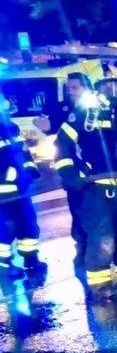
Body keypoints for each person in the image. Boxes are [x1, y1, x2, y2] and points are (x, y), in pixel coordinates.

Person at [54, 85, 117, 300]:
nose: (113, 90)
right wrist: (72, 172)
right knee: (102, 238)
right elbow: (63, 143)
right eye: (107, 84)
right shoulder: (86, 114)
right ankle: (101, 285)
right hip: (98, 188)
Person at [36, 73, 93, 273]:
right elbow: (58, 139)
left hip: (96, 176)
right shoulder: (64, 110)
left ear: (87, 88)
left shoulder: (95, 111)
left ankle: (100, 252)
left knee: (99, 215)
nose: (71, 92)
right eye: (69, 88)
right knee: (78, 214)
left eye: (75, 88)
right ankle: (83, 251)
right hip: (75, 176)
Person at [0, 95, 46, 278]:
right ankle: (4, 265)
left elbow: (23, 153)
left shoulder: (11, 128)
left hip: (21, 190)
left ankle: (31, 259)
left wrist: (30, 169)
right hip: (3, 193)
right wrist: (8, 175)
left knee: (27, 223)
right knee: (4, 229)